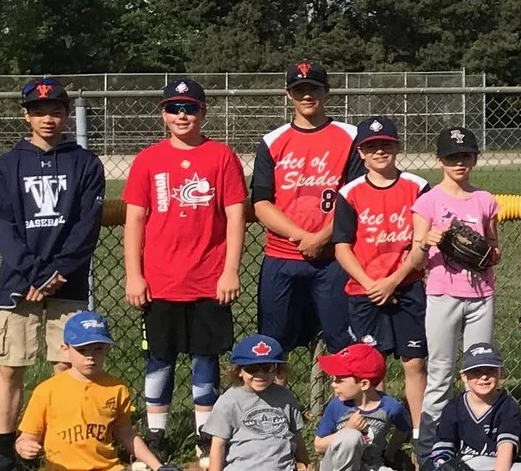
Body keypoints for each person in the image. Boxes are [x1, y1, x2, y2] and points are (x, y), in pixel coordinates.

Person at [0, 77, 104, 471]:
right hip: (19, 282)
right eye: (38, 111)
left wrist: (57, 273)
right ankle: (4, 454)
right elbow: (6, 228)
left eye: (56, 110)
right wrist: (34, 273)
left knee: (65, 367)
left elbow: (86, 227)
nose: (48, 118)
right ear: (25, 115)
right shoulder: (6, 166)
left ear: (67, 114)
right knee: (11, 367)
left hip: (67, 280)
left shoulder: (85, 163)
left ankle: (61, 450)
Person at [122, 78, 247, 448]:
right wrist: (134, 275)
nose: (182, 114)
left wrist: (230, 270)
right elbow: (135, 220)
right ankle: (157, 432)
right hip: (160, 280)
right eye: (175, 108)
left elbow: (236, 217)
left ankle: (205, 433)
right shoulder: (148, 160)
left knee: (204, 359)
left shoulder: (221, 156)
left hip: (208, 279)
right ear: (163, 114)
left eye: (190, 107)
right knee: (159, 359)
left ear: (203, 112)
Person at [249, 62, 364, 361]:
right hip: (281, 257)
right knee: (272, 347)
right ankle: (276, 408)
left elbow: (356, 199)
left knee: (345, 345)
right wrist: (303, 237)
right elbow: (261, 203)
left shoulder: (351, 136)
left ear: (326, 92)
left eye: (313, 88)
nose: (307, 95)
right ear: (289, 95)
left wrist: (323, 238)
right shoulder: (273, 141)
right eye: (299, 90)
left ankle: (346, 407)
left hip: (334, 259)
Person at [329, 116, 431, 428]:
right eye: (371, 146)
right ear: (361, 152)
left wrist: (393, 280)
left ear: (397, 146)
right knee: (372, 367)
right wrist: (370, 283)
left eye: (385, 144)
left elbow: (421, 243)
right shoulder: (350, 192)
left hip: (406, 286)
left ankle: (418, 433)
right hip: (365, 291)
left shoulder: (417, 186)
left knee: (414, 362)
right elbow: (342, 246)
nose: (379, 151)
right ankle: (379, 434)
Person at [16, 313, 171, 471]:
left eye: (98, 349)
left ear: (108, 348)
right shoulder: (47, 391)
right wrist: (23, 446)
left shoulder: (116, 387)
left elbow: (126, 434)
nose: (90, 356)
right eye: (82, 350)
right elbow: (27, 437)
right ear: (65, 350)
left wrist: (158, 467)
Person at [415, 127, 499, 430]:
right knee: (440, 370)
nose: (459, 163)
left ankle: (477, 437)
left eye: (465, 156)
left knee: (480, 369)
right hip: (442, 294)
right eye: (452, 157)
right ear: (439, 160)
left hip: (481, 295)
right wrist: (426, 241)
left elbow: (494, 250)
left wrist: (484, 251)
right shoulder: (428, 201)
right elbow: (415, 259)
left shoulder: (485, 199)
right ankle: (430, 444)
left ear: (475, 158)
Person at [205, 334, 308, 471]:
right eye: (252, 369)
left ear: (277, 369)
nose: (260, 374)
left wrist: (306, 465)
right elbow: (218, 446)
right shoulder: (229, 401)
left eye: (267, 367)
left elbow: (296, 437)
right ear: (239, 370)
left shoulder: (285, 397)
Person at [425, 342, 521, 471]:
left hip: (495, 466)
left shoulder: (508, 405)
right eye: (476, 372)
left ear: (501, 373)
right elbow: (443, 449)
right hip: (463, 466)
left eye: (490, 370)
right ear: (464, 376)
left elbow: (506, 449)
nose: (484, 377)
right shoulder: (454, 407)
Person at [312, 342, 416, 471]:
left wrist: (390, 454)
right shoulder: (337, 406)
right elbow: (318, 446)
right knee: (351, 437)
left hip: (367, 468)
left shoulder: (391, 407)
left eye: (340, 380)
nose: (333, 384)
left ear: (364, 383)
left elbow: (403, 430)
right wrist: (347, 429)